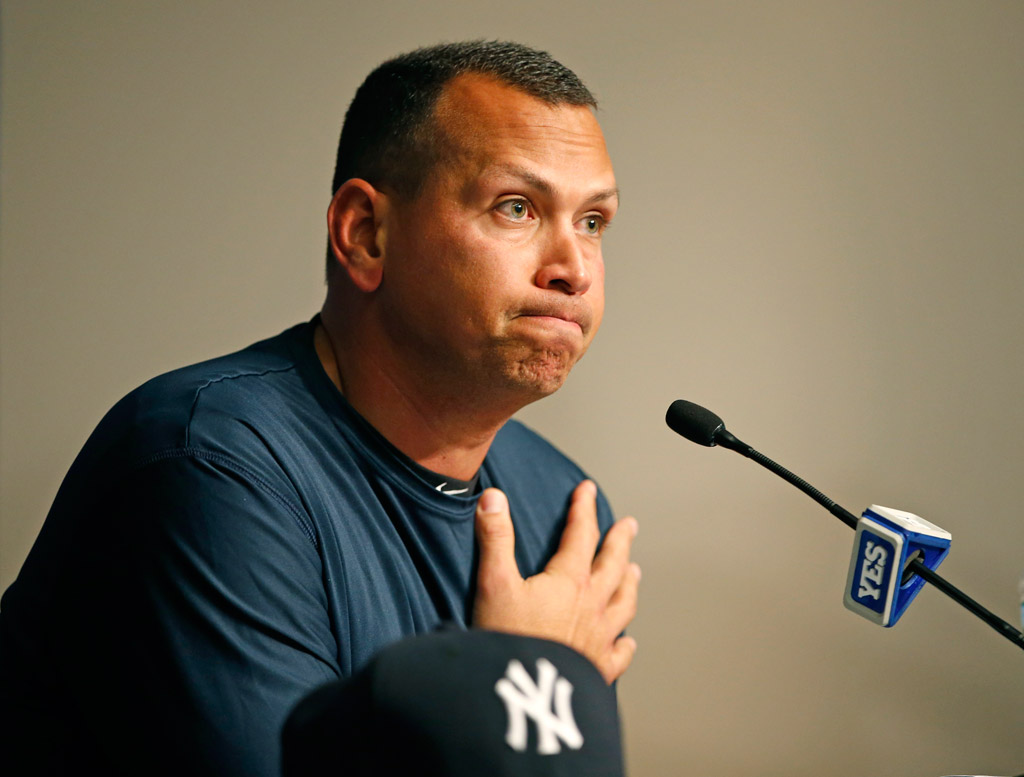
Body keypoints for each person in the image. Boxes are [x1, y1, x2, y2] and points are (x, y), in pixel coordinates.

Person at [0, 41, 639, 776]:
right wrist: (524, 677)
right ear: (365, 234)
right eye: (517, 207)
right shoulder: (206, 467)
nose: (575, 268)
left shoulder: (562, 509)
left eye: (594, 221)